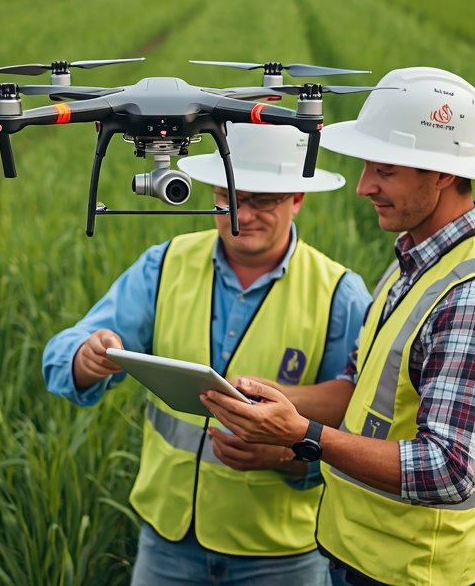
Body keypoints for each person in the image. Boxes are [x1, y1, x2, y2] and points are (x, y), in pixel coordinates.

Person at [202, 67, 475, 586]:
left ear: (441, 173)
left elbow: (449, 470)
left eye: (385, 170)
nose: (363, 187)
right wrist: (262, 396)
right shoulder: (415, 262)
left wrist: (304, 435)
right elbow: (361, 391)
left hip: (418, 574)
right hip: (362, 559)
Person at [42, 123, 373, 586]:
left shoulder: (341, 295)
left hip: (279, 555)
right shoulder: (165, 264)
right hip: (167, 544)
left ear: (297, 197)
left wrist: (285, 456)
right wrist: (87, 355)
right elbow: (66, 350)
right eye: (230, 196)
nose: (243, 214)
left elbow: (360, 425)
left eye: (263, 199)